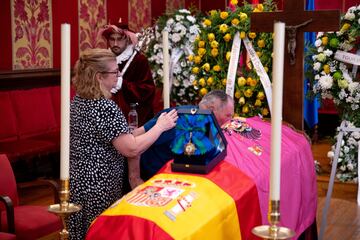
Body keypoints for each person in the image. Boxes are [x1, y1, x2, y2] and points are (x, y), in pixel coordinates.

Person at [68, 48, 177, 240]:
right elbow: (131, 148)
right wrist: (160, 126)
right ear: (99, 77)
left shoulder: (79, 101)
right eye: (114, 71)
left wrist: (147, 128)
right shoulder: (104, 106)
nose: (118, 75)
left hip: (79, 181)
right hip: (99, 184)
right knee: (99, 232)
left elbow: (119, 136)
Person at [137, 90, 234, 180]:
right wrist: (134, 177)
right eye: (228, 115)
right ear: (212, 110)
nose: (230, 121)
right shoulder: (173, 116)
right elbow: (135, 136)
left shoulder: (209, 124)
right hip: (155, 178)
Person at [100, 22, 155, 127]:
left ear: (128, 39)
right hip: (107, 116)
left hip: (134, 118)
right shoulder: (103, 59)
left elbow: (148, 91)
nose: (115, 43)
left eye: (119, 39)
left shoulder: (139, 60)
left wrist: (123, 84)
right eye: (112, 39)